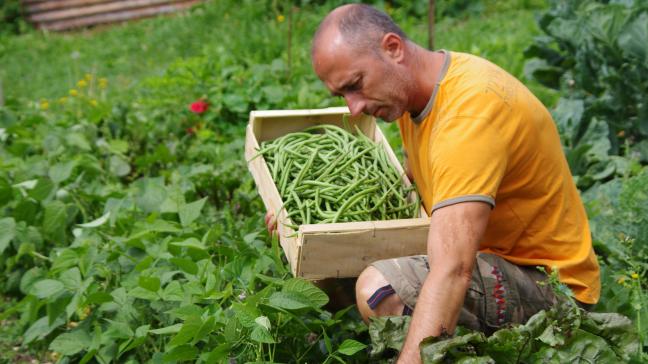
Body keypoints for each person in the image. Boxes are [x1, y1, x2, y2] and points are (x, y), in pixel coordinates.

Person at [269, 3, 601, 363]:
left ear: (393, 48)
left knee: (380, 289)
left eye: (355, 85)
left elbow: (453, 269)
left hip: (550, 288)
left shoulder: (467, 116)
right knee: (329, 253)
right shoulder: (419, 92)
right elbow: (412, 187)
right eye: (342, 96)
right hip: (488, 257)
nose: (353, 108)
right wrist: (305, 232)